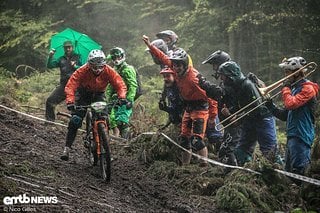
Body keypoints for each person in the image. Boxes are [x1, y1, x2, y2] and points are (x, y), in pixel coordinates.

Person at [143, 35, 219, 167]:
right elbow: (163, 57)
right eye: (175, 65)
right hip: (188, 108)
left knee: (197, 140)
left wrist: (212, 117)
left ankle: (204, 165)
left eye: (178, 66)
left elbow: (211, 97)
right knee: (184, 139)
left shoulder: (194, 78)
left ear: (184, 65)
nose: (176, 68)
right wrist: (150, 46)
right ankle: (185, 167)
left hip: (200, 108)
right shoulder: (174, 68)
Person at [61, 49, 127, 161]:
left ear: (104, 64)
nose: (98, 70)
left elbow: (120, 84)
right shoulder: (82, 70)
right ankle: (67, 148)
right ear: (89, 65)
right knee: (75, 120)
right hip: (83, 94)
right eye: (94, 67)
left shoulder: (108, 70)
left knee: (104, 118)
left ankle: (106, 147)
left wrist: (122, 97)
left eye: (100, 66)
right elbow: (71, 86)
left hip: (99, 95)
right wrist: (70, 101)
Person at [216, 61, 280, 165]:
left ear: (230, 75)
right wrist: (230, 112)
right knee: (241, 151)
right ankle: (247, 172)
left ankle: (280, 173)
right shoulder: (234, 87)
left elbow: (256, 107)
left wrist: (238, 117)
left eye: (223, 76)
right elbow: (239, 106)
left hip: (263, 119)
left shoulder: (247, 85)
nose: (221, 79)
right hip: (249, 120)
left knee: (269, 151)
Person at [266, 57, 319, 176]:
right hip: (292, 135)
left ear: (297, 72)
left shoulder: (308, 88)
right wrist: (270, 106)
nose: (285, 75)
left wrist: (285, 89)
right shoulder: (294, 89)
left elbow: (291, 104)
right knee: (289, 172)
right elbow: (285, 115)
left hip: (301, 135)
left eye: (287, 72)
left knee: (300, 171)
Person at [199, 50, 240, 165]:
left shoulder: (233, 81)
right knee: (226, 150)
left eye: (215, 65)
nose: (214, 68)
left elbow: (220, 93)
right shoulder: (227, 81)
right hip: (229, 122)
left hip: (235, 122)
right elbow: (219, 96)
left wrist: (205, 84)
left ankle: (234, 174)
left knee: (227, 150)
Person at [46, 40, 82, 121]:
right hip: (63, 86)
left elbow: (84, 69)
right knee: (50, 101)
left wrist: (75, 66)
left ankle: (75, 126)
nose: (68, 49)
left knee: (76, 108)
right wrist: (50, 56)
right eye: (66, 48)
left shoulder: (78, 57)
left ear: (72, 47)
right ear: (64, 48)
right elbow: (50, 66)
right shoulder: (61, 59)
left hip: (75, 87)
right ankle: (50, 122)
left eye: (69, 47)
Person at [106, 47, 138, 139]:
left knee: (122, 120)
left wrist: (129, 99)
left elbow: (133, 85)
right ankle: (117, 138)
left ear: (122, 56)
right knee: (112, 118)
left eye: (118, 57)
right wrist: (107, 98)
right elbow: (110, 85)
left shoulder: (128, 69)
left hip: (125, 98)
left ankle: (125, 141)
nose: (116, 59)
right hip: (115, 98)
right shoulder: (114, 69)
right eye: (114, 58)